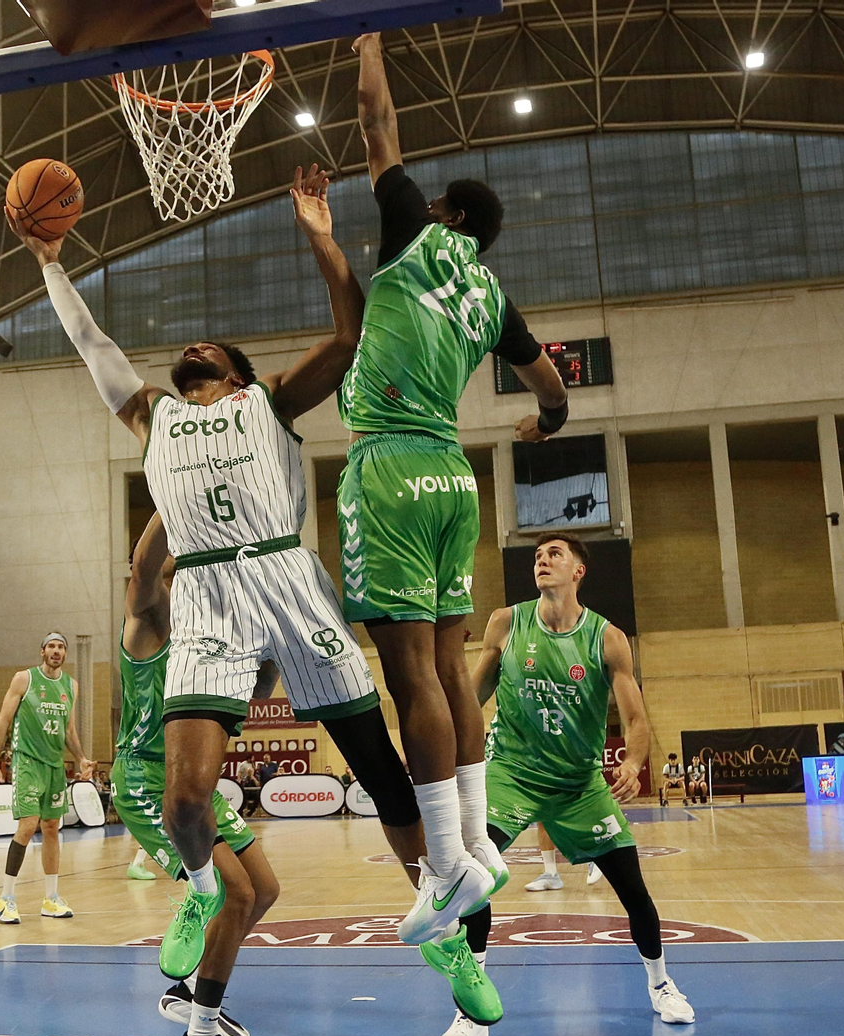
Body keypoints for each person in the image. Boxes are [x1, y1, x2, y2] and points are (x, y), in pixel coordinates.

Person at [9, 162, 426, 1002]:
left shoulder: (269, 401)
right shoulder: (151, 416)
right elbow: (92, 344)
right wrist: (50, 262)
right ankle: (202, 893)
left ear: (235, 374)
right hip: (205, 596)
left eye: (211, 349)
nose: (195, 344)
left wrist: (324, 242)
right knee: (184, 803)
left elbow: (347, 340)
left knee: (379, 765)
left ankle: (439, 911)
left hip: (287, 577)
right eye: (189, 348)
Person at [346, 31, 573, 945]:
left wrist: (368, 44)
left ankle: (445, 868)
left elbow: (376, 123)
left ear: (444, 212)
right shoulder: (492, 295)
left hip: (393, 467)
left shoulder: (414, 231)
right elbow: (553, 387)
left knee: (411, 678)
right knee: (448, 670)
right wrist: (542, 427)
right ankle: (476, 842)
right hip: (454, 477)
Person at [444, 532, 695, 1036]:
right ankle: (471, 1012)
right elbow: (471, 697)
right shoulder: (506, 623)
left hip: (580, 782)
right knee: (475, 875)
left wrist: (632, 759)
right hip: (511, 770)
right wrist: (438, 736)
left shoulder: (607, 638)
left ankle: (661, 983)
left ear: (578, 570)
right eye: (538, 556)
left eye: (555, 554)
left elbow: (635, 719)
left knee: (632, 888)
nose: (543, 561)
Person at [111, 515, 277, 1036]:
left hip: (195, 783)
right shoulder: (150, 626)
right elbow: (143, 571)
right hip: (146, 779)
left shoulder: (215, 644)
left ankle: (185, 991)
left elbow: (261, 692)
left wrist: (273, 639)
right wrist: (171, 484)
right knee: (237, 893)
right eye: (188, 574)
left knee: (265, 891)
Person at [0, 632, 85, 924]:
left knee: (52, 827)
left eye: (61, 647)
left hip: (55, 766)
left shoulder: (71, 686)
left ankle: (51, 898)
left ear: (65, 654)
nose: (56, 651)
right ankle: (5, 898)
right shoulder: (23, 679)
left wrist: (81, 758)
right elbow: (3, 721)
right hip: (27, 761)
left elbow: (69, 731)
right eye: (51, 646)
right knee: (28, 825)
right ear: (42, 651)